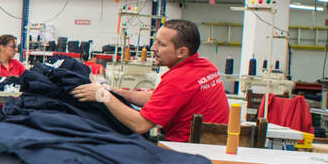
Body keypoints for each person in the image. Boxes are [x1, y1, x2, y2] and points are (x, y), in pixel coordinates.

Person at [70, 19, 229, 140]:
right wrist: (117, 92)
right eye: (155, 41)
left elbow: (141, 125)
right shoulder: (205, 66)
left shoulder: (178, 79)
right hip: (211, 146)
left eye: (161, 44)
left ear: (182, 52)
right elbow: (159, 98)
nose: (153, 48)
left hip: (184, 152)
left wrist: (102, 96)